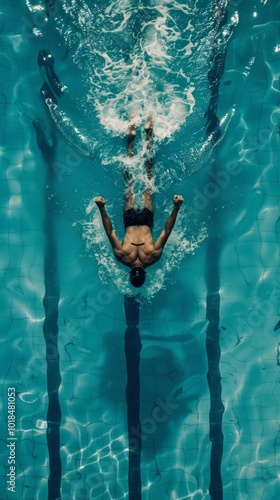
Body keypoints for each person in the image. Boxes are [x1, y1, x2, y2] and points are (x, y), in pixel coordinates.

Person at [95, 116, 184, 288]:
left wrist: (102, 209)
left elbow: (111, 232)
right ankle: (146, 136)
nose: (137, 265)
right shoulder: (149, 256)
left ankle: (136, 137)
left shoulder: (128, 257)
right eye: (139, 269)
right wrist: (176, 208)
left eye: (135, 269)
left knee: (133, 181)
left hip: (133, 219)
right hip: (142, 219)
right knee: (143, 180)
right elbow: (166, 232)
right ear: (143, 272)